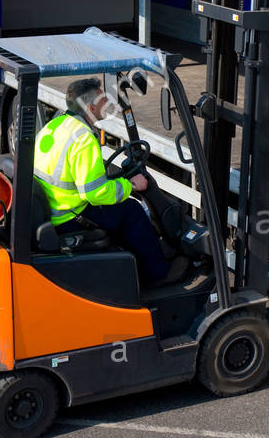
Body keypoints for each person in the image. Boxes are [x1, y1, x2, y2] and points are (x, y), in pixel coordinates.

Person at [33, 76, 186, 287]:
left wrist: (117, 181)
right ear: (90, 107)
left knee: (120, 209)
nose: (107, 103)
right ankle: (158, 274)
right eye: (102, 100)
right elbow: (94, 193)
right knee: (132, 210)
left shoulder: (56, 125)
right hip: (71, 215)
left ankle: (135, 263)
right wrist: (131, 185)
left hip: (55, 205)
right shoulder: (84, 138)